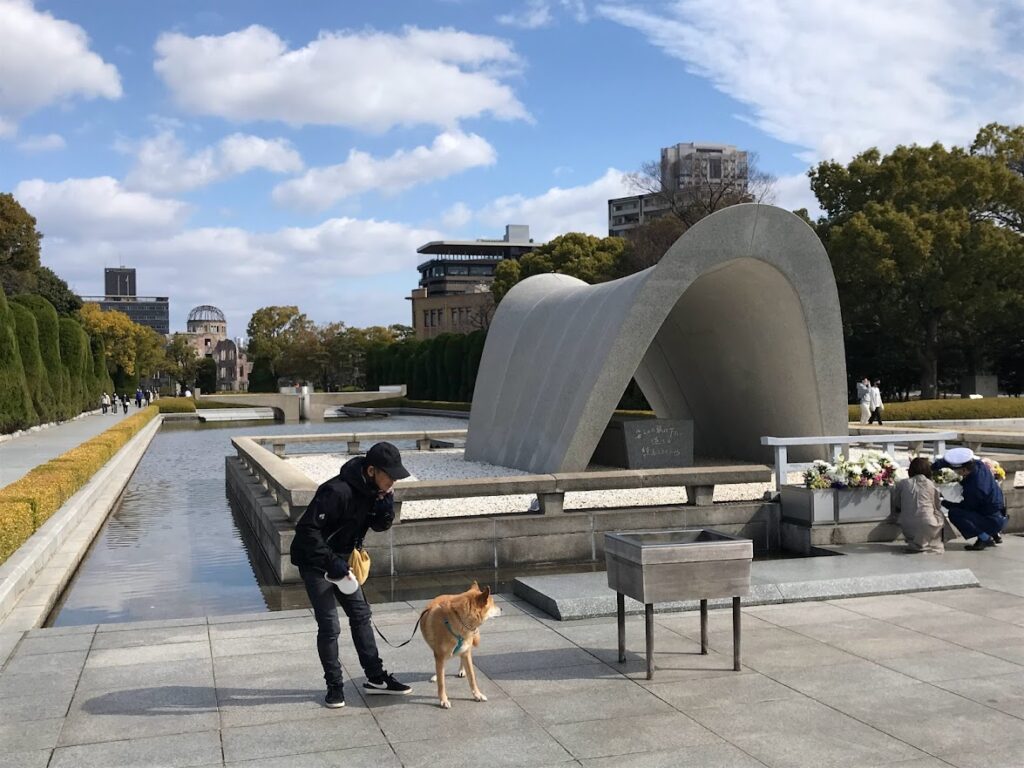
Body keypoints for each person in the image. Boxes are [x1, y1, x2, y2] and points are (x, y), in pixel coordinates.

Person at [290, 441, 413, 708]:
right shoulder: (336, 491)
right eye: (389, 475)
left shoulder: (374, 491)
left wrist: (384, 508)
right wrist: (330, 561)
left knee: (361, 615)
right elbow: (306, 531)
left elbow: (378, 526)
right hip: (315, 563)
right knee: (330, 626)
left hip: (344, 562)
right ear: (371, 471)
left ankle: (376, 678)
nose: (393, 480)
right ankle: (334, 687)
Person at [932, 447, 1007, 551]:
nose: (955, 472)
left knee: (955, 513)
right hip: (995, 510)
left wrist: (944, 503)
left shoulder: (976, 487)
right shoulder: (978, 465)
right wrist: (934, 466)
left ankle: (984, 537)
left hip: (993, 518)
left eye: (956, 471)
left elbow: (967, 506)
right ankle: (993, 533)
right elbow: (947, 462)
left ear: (963, 470)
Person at [894, 457, 946, 553]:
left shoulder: (903, 483)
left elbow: (897, 503)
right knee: (939, 516)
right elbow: (937, 506)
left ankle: (916, 540)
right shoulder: (931, 484)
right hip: (928, 525)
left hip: (907, 526)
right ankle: (932, 540)